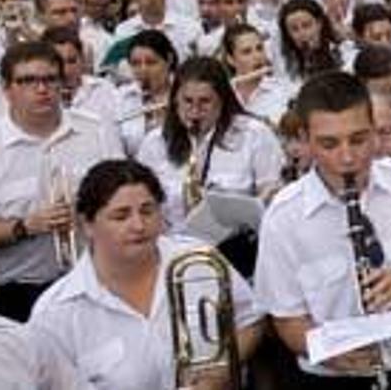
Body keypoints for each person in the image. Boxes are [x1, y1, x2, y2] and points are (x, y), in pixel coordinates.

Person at [255, 71, 391, 388]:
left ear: (376, 132)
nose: (347, 158)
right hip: (333, 378)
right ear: (305, 140)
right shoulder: (283, 217)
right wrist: (331, 354)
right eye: (329, 144)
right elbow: (287, 318)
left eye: (359, 140)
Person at [28, 159, 265, 389]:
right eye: (121, 216)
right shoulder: (54, 311)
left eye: (147, 211)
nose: (139, 225)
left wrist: (217, 376)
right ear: (87, 225)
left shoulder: (198, 260)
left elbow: (250, 320)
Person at [0, 42, 123, 321]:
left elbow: (123, 193)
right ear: (6, 88)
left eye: (50, 79)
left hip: (99, 280)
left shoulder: (97, 130)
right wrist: (25, 226)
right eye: (27, 81)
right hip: (20, 293)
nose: (41, 89)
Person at [135, 57, 284, 232]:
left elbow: (271, 197)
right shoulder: (154, 143)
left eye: (205, 101)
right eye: (188, 101)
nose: (195, 111)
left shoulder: (255, 134)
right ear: (175, 100)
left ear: (223, 101)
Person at [115, 30, 178, 156]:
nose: (143, 70)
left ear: (169, 59)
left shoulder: (184, 94)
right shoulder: (120, 97)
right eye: (135, 64)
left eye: (151, 62)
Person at [221, 23, 293, 123]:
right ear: (231, 59)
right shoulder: (222, 95)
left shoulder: (284, 90)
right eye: (247, 52)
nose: (257, 56)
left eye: (260, 48)